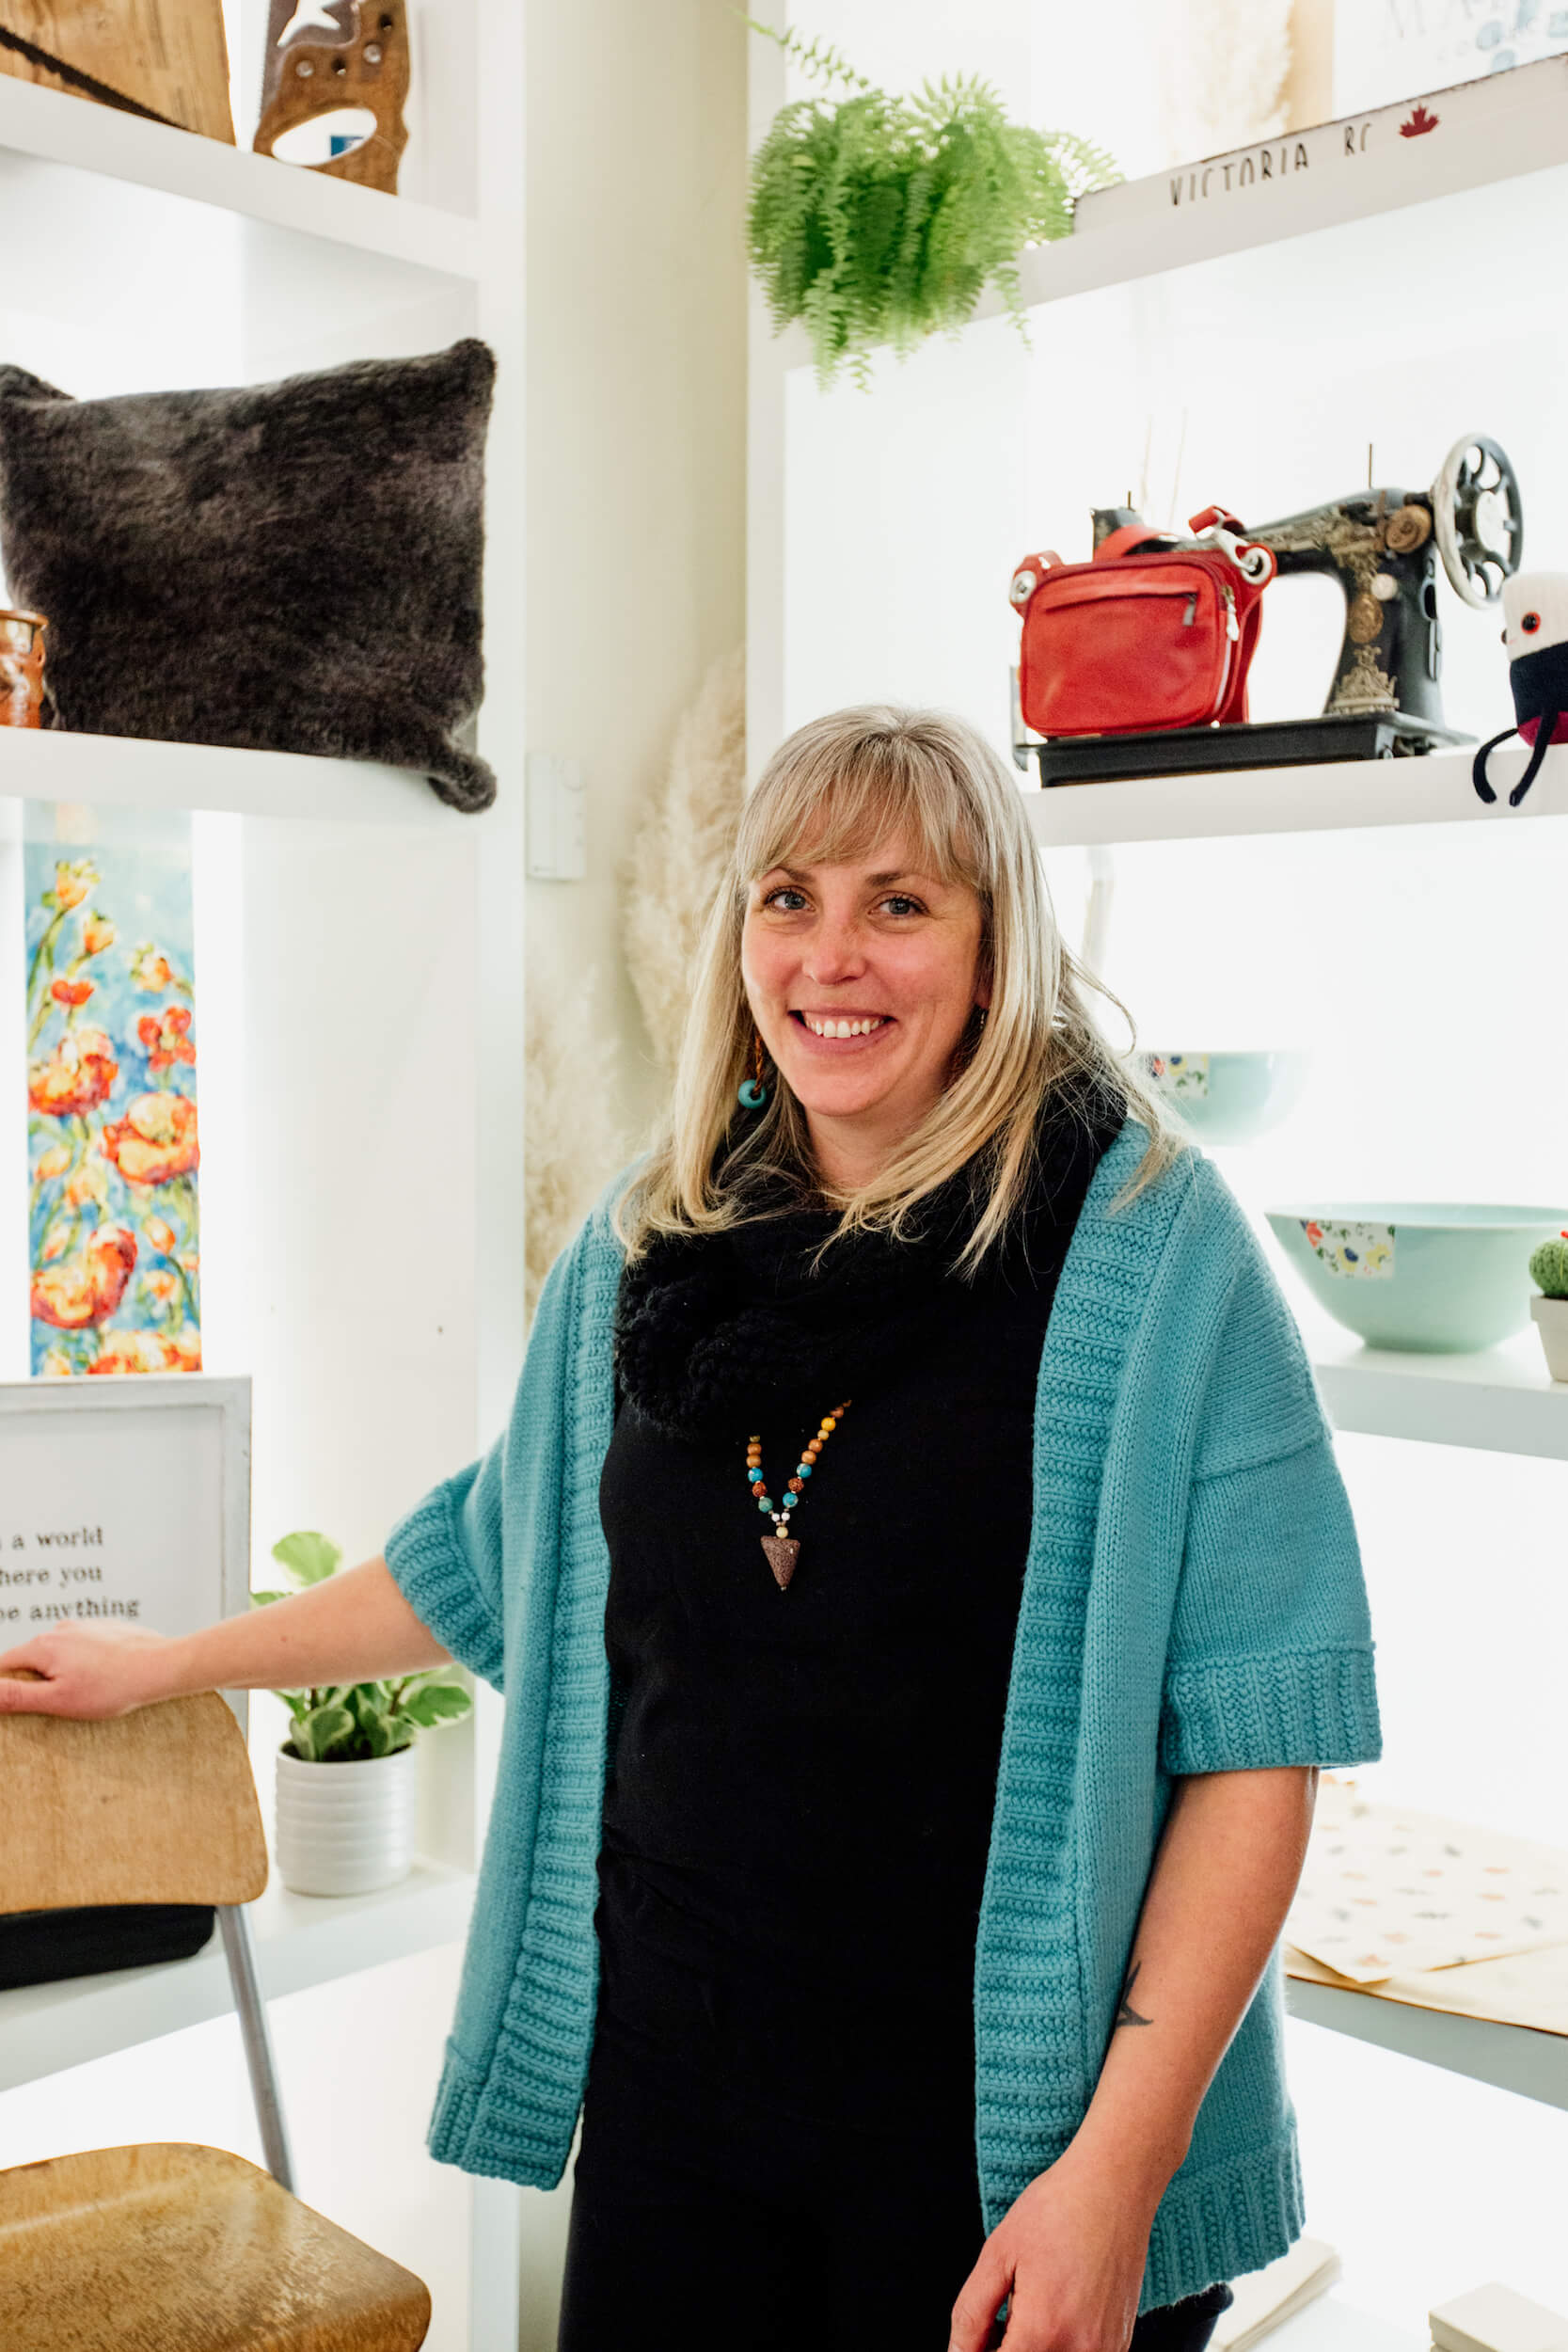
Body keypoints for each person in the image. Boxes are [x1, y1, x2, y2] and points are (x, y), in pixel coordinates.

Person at [0, 706, 1382, 2352]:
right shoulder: (653, 1238)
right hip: (679, 2117)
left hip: (1003, 2148)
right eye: (785, 897)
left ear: (999, 941)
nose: (830, 955)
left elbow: (1255, 1743)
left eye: (901, 902)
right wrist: (169, 1665)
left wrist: (1118, 2175)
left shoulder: (1151, 1249)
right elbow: (483, 1555)